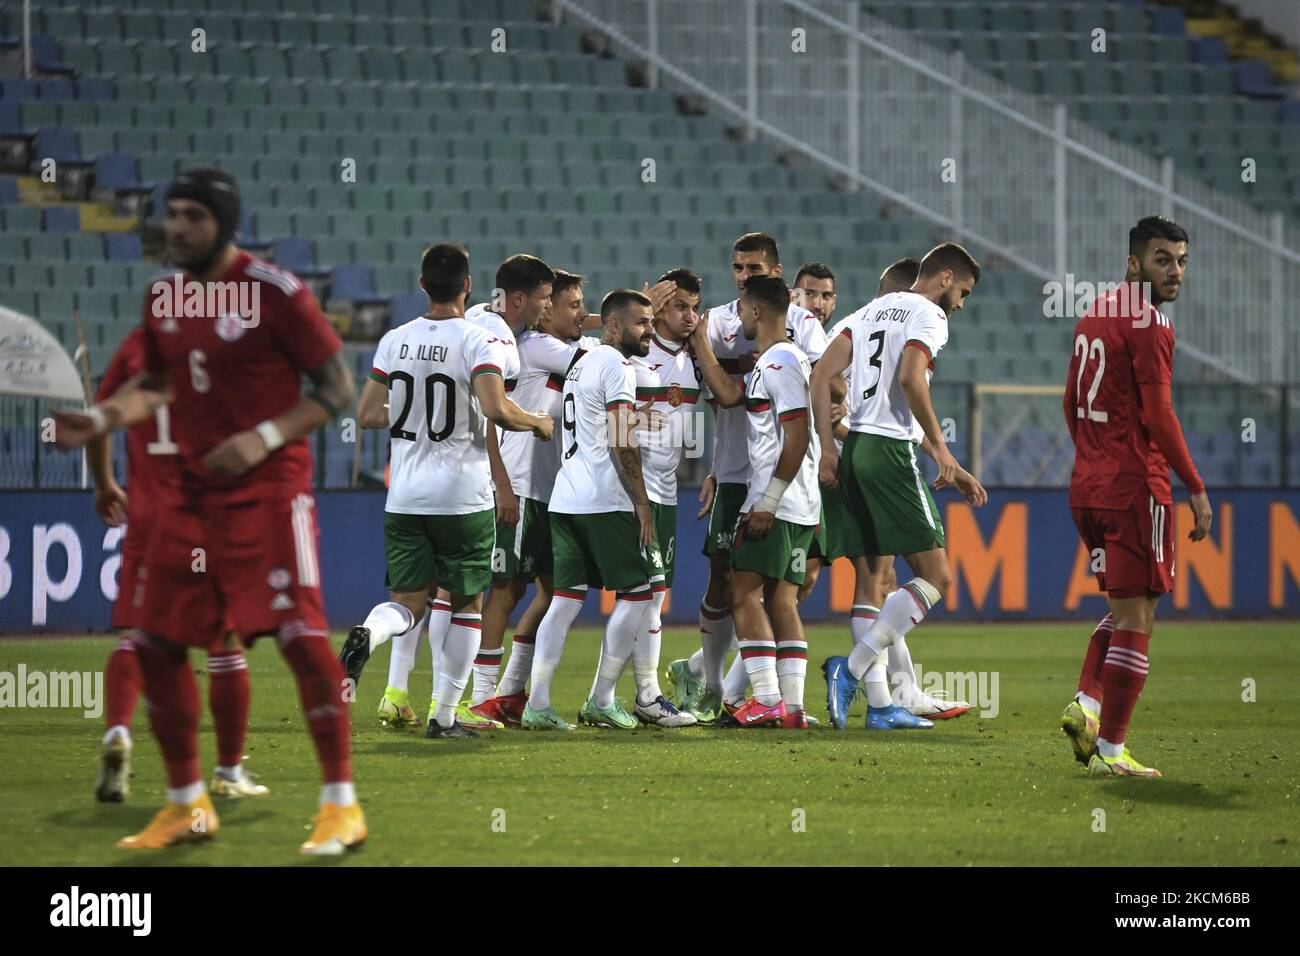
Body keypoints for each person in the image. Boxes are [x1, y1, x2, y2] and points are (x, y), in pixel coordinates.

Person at [55, 167, 361, 854]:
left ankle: (340, 803)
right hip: (190, 497)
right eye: (172, 213)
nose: (177, 227)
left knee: (297, 635)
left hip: (270, 490)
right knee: (158, 642)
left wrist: (264, 435)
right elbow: (158, 385)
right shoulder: (162, 296)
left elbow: (339, 387)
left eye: (193, 215)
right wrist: (103, 416)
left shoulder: (274, 292)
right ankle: (188, 803)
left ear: (223, 222)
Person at [338, 243, 553, 738]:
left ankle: (369, 634)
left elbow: (368, 415)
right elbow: (497, 409)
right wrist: (537, 423)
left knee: (408, 604)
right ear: (468, 287)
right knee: (465, 605)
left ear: (421, 285)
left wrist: (415, 415)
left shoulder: (395, 339)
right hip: (461, 497)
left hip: (405, 496)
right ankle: (444, 716)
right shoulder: (479, 341)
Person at [1060, 215, 1211, 778]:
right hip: (1134, 488)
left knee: (1127, 610)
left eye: (1181, 260)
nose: (1174, 271)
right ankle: (1111, 751)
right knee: (1138, 620)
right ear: (1133, 262)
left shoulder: (1094, 315)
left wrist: (1093, 458)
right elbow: (1160, 415)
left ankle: (1088, 706)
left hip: (1089, 488)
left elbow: (1069, 403)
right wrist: (1194, 485)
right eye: (1162, 259)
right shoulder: (1149, 324)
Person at [88, 327, 265, 802]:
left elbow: (98, 419)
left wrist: (104, 482)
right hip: (212, 518)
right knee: (224, 640)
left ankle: (117, 734)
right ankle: (228, 772)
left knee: (143, 637)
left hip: (151, 519)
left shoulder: (134, 346)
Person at [814, 242, 986, 731]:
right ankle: (849, 671)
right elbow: (913, 378)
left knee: (878, 579)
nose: (961, 304)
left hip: (858, 451)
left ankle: (887, 700)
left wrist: (829, 448)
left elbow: (823, 372)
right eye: (964, 292)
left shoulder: (868, 310)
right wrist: (942, 446)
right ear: (946, 278)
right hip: (890, 453)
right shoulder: (930, 314)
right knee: (938, 577)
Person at [520, 289, 662, 730]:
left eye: (651, 321)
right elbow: (622, 437)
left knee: (564, 600)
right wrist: (642, 501)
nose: (650, 330)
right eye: (641, 322)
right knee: (640, 593)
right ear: (616, 326)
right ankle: (602, 697)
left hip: (566, 497)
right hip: (604, 499)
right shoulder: (618, 366)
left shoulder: (580, 364)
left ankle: (537, 703)